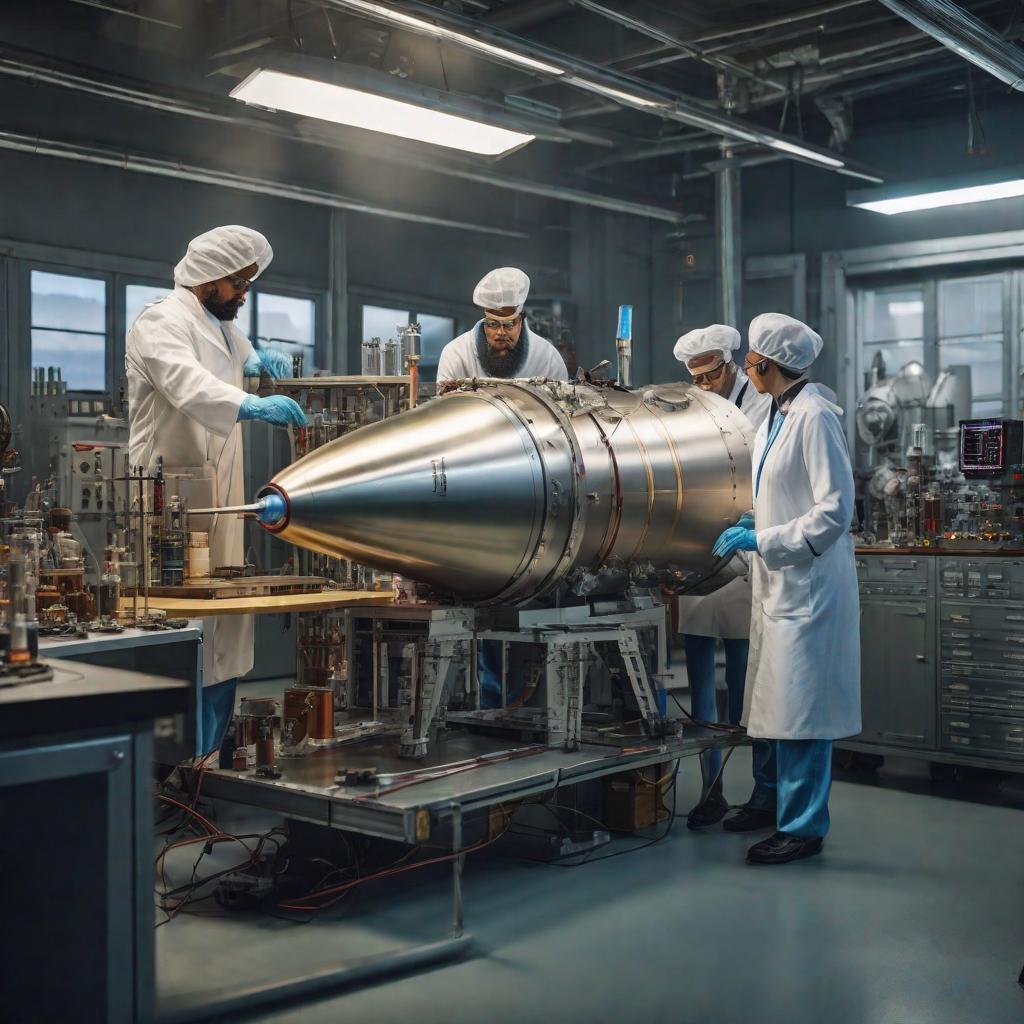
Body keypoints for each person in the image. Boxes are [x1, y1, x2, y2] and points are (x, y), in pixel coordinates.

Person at [125, 225, 307, 755]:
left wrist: (256, 362)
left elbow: (237, 359)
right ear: (207, 279)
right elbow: (185, 381)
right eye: (238, 282)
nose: (244, 293)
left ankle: (209, 756)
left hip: (222, 493)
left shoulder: (222, 323)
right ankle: (175, 761)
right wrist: (249, 404)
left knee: (226, 621)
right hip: (171, 495)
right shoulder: (160, 321)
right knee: (183, 621)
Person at [712, 313, 861, 865]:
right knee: (774, 699)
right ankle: (774, 803)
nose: (746, 370)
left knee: (803, 709)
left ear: (768, 366)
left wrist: (767, 539)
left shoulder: (815, 417)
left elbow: (834, 512)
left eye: (750, 362)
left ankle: (803, 826)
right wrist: (757, 525)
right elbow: (780, 490)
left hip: (809, 584)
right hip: (780, 583)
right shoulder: (779, 413)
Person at [673, 324, 773, 830]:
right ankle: (710, 790)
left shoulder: (759, 405)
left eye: (713, 375)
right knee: (699, 686)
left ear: (731, 365)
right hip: (698, 552)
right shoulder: (692, 406)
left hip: (744, 556)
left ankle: (759, 794)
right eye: (698, 378)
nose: (706, 385)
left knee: (744, 683)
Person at [436, 267, 568, 393]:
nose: (501, 332)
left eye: (509, 324)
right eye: (493, 324)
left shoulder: (548, 359)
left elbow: (561, 412)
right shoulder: (457, 355)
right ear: (485, 322)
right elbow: (444, 408)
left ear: (521, 321)